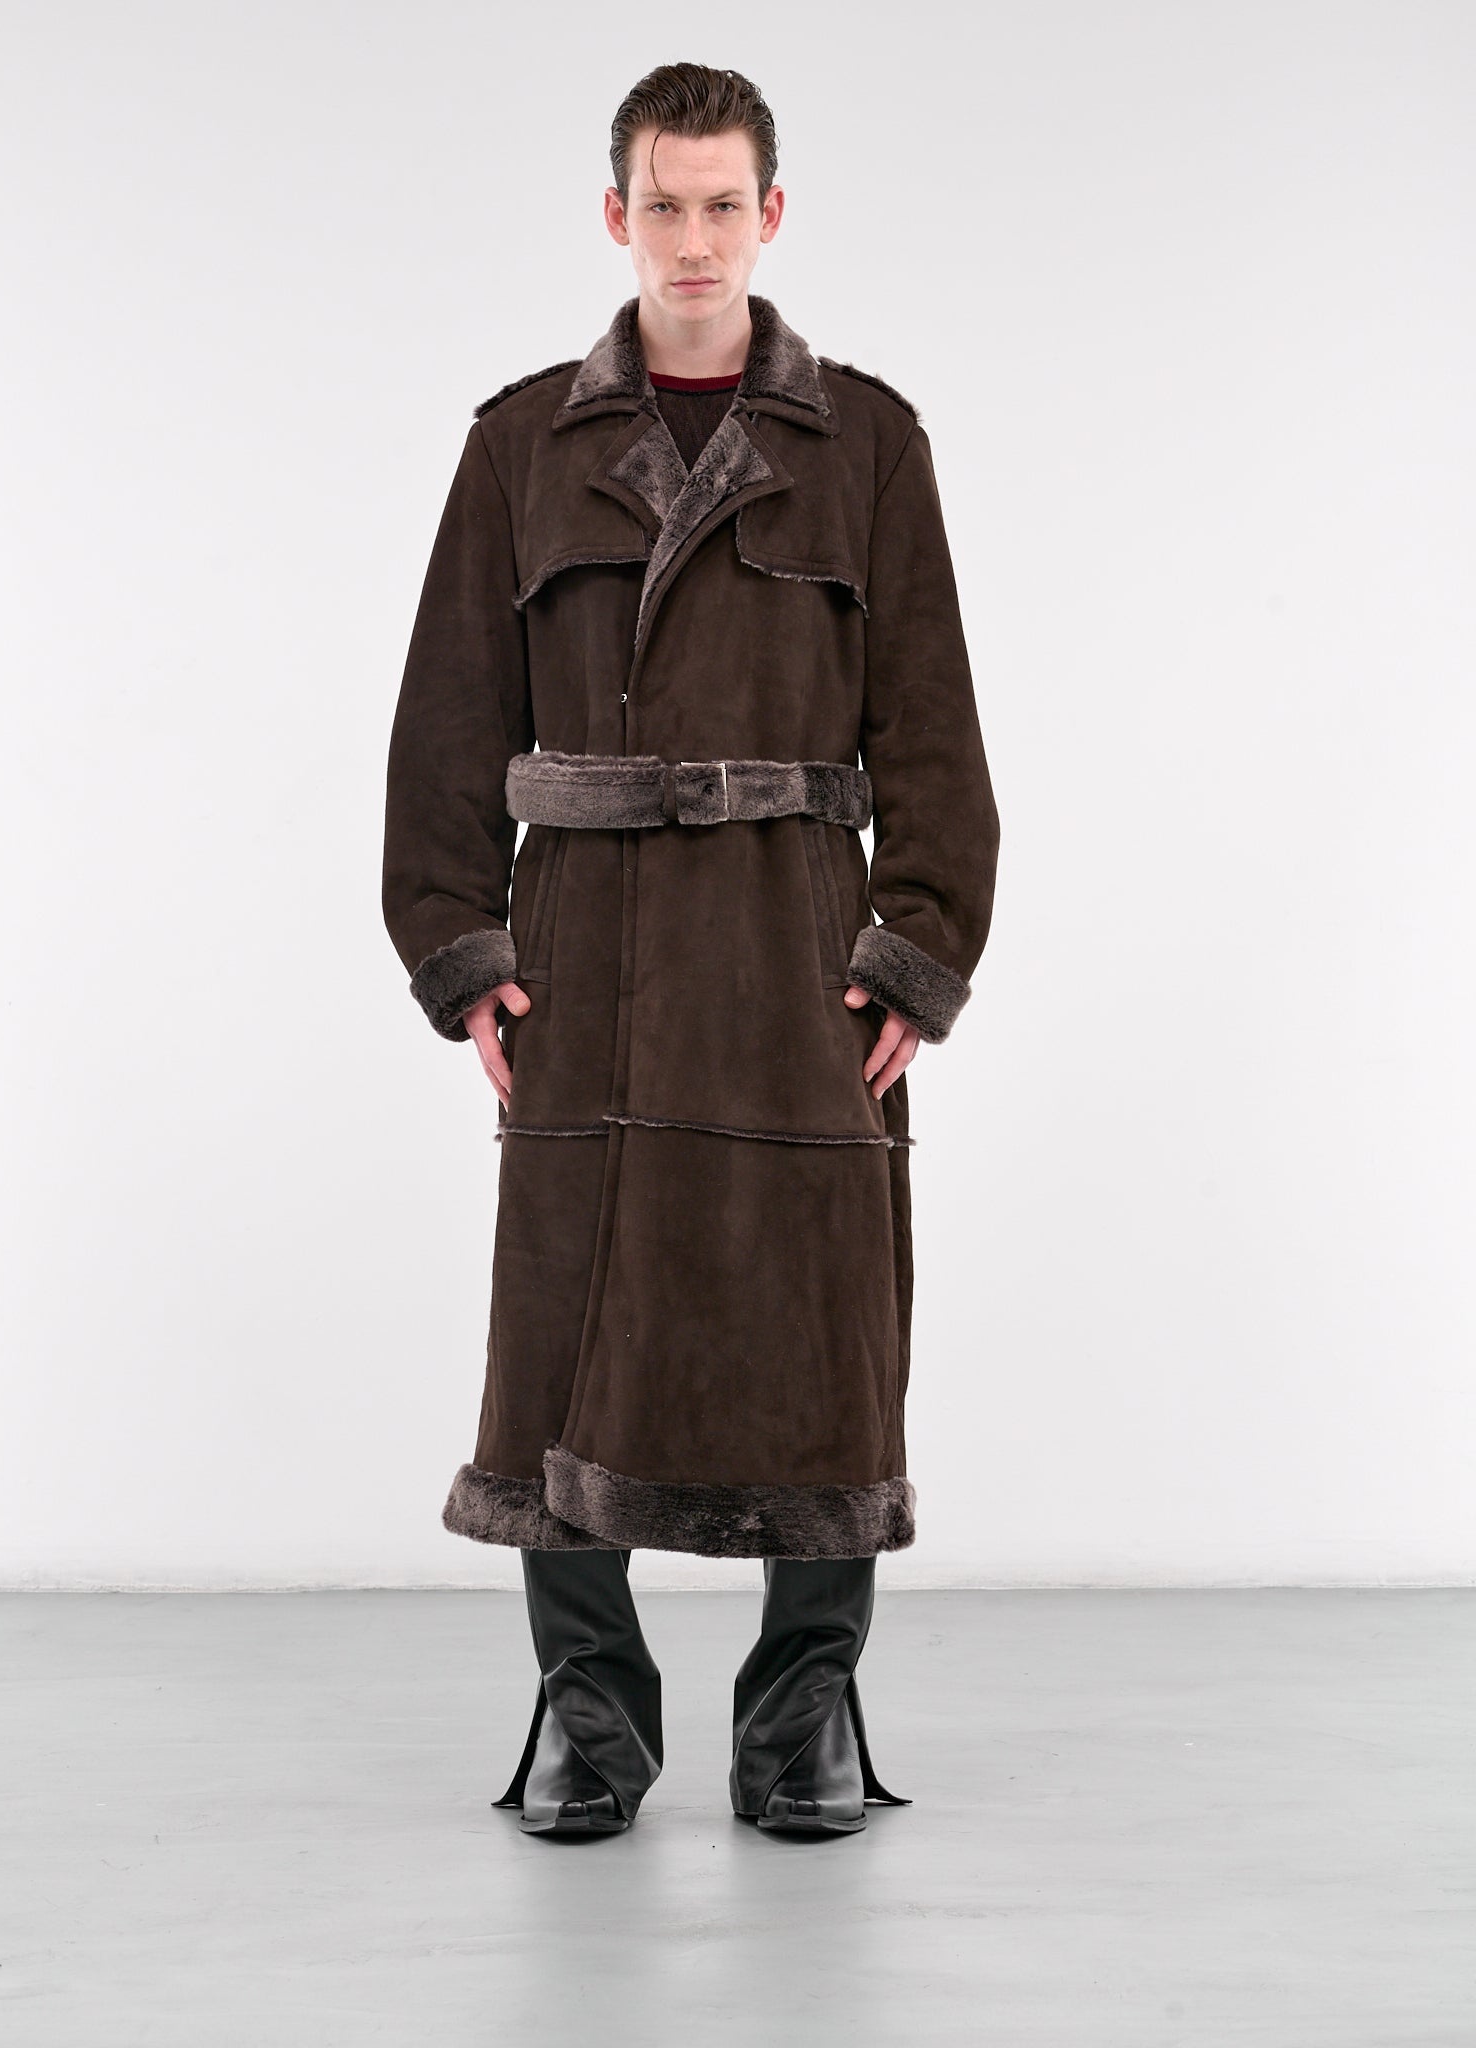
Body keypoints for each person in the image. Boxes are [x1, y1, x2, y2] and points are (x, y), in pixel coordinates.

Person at [381, 61, 1000, 1838]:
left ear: (772, 215)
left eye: (726, 203)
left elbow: (934, 725)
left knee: (821, 1321)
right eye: (665, 203)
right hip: (588, 940)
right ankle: (589, 1706)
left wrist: (914, 944)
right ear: (617, 215)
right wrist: (463, 943)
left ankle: (806, 1706)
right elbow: (449, 719)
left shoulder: (865, 443)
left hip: (794, 944)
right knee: (566, 1323)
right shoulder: (522, 444)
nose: (695, 238)